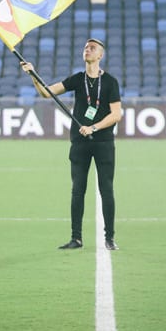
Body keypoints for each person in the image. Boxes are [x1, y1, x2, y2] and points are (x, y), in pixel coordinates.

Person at [20, 38, 122, 251]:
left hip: (103, 143)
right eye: (85, 47)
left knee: (106, 190)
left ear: (100, 55)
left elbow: (116, 115)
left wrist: (93, 127)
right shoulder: (77, 79)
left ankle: (110, 238)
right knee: (77, 190)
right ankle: (76, 238)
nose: (87, 50)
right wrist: (33, 75)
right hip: (79, 143)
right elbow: (46, 93)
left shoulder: (110, 82)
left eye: (92, 48)